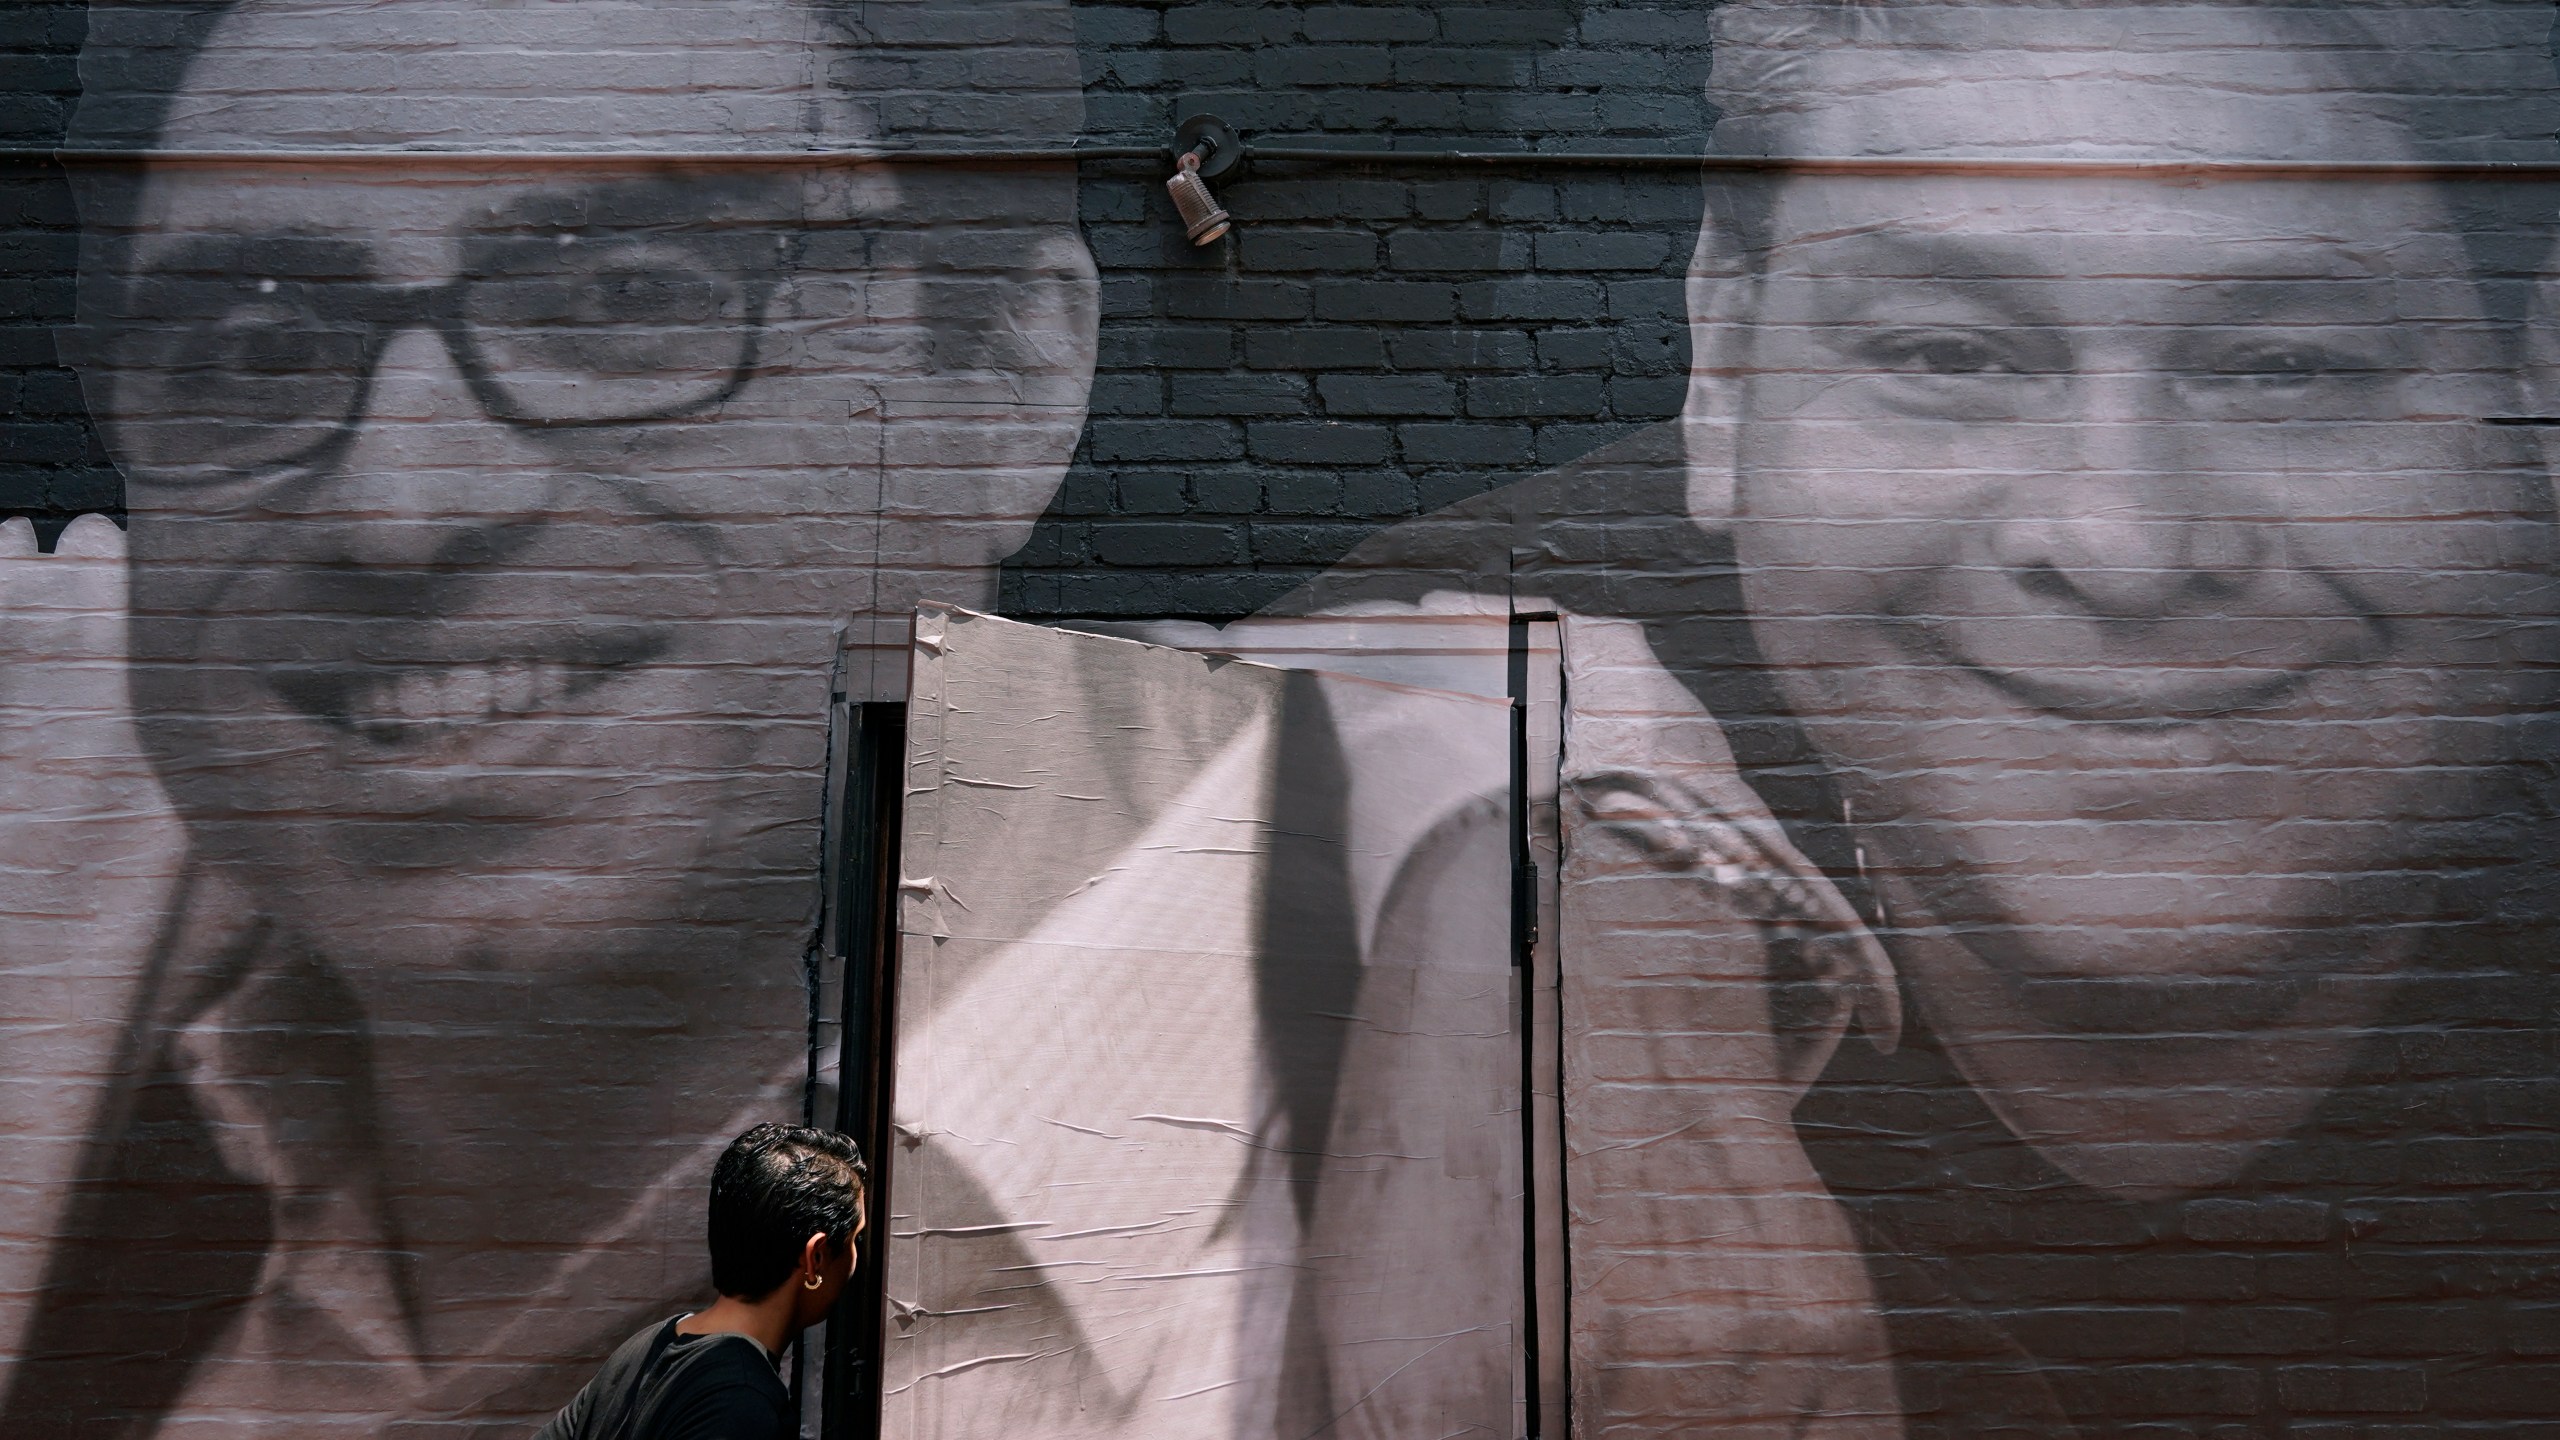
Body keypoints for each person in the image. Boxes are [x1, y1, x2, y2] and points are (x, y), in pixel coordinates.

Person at [1270, 1, 2560, 1434]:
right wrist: (1538, 899)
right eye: (1952, 354)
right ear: (1724, 368)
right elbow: (1331, 682)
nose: (2120, 541)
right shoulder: (1539, 615)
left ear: (2540, 377)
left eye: (2289, 367)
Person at [4, 1, 1095, 1434]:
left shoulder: (1347, 1022)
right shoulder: (79, 834)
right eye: (255, 354)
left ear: (1008, 378)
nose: (401, 514)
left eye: (627, 303)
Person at [535, 1123, 866, 1440]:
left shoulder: (645, 1346)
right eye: (856, 1239)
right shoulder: (741, 1403)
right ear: (816, 1258)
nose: (856, 1256)